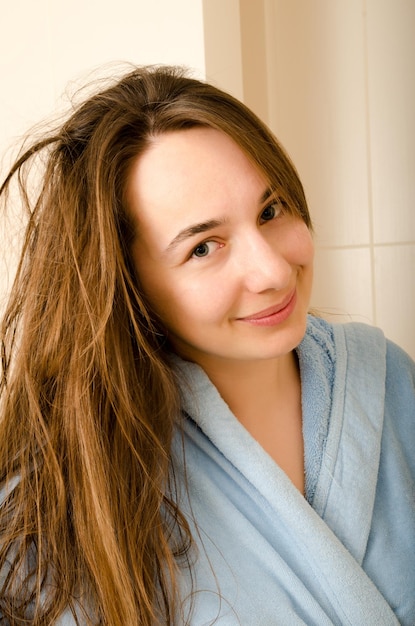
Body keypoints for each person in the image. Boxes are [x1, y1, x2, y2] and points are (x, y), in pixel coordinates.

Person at [0, 65, 413, 626]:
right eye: (203, 247)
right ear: (125, 283)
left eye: (271, 211)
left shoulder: (387, 379)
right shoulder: (78, 484)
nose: (272, 269)